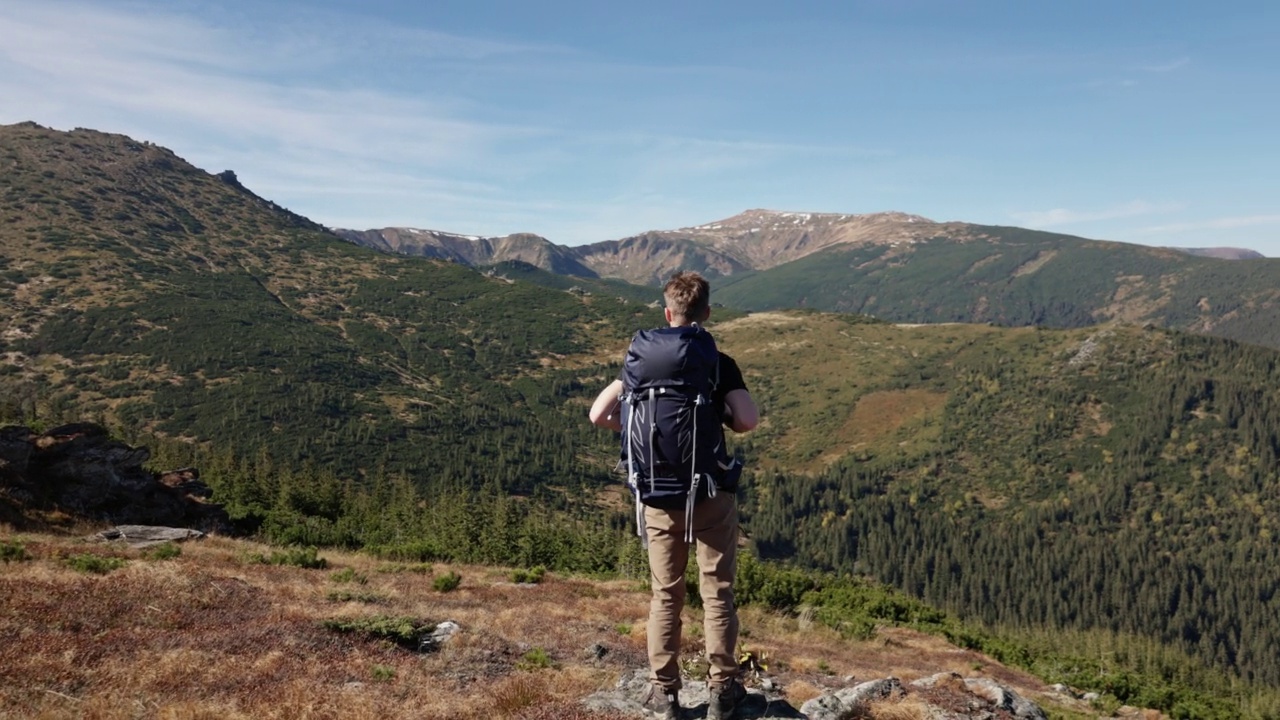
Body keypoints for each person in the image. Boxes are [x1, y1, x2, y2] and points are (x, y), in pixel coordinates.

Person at [589, 271, 759, 720]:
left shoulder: (640, 362)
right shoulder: (717, 362)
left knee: (666, 596)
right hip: (708, 493)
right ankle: (723, 690)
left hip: (658, 496)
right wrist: (717, 412)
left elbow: (598, 414)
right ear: (705, 313)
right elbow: (746, 421)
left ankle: (664, 693)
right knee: (717, 593)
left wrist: (638, 426)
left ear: (667, 312)